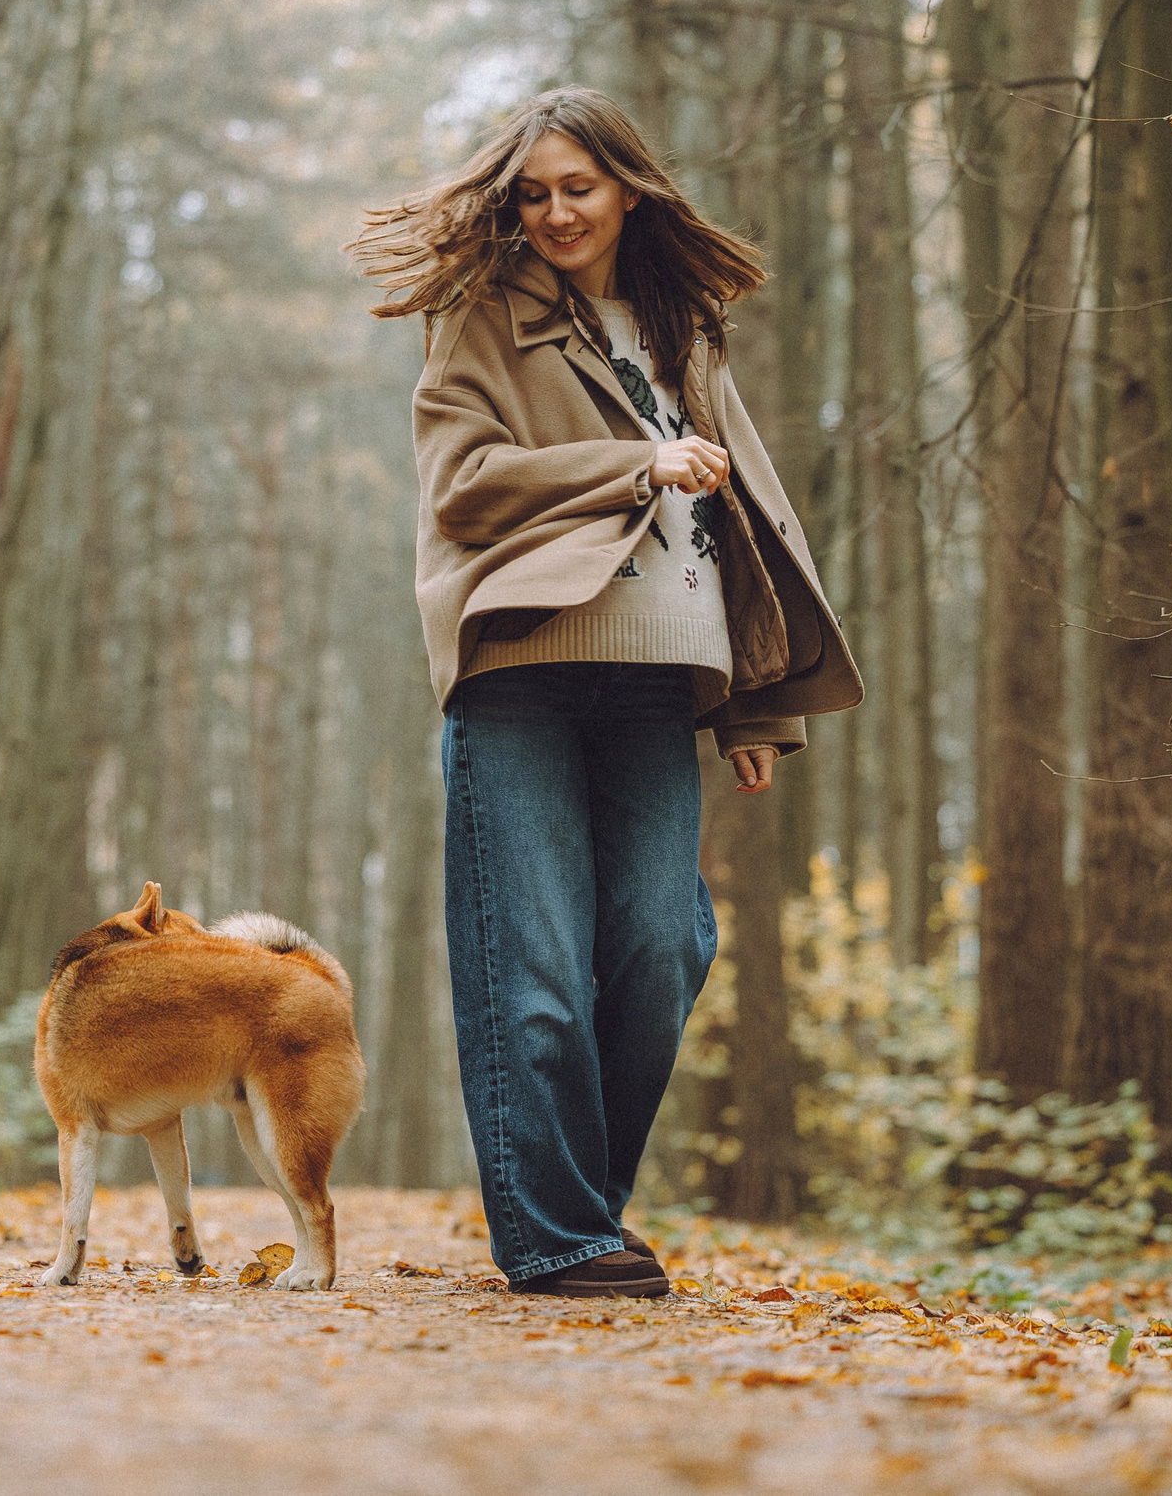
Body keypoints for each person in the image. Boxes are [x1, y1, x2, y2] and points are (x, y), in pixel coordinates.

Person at [351, 88, 862, 1298]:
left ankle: (579, 1210)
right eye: (532, 194)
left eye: (576, 188)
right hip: (519, 673)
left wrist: (757, 706)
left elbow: (746, 510)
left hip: (656, 683)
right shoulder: (484, 315)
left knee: (661, 947)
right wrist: (634, 462)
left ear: (628, 189)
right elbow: (464, 484)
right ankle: (556, 1237)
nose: (555, 213)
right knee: (529, 972)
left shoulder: (685, 325)